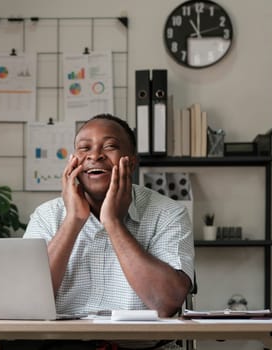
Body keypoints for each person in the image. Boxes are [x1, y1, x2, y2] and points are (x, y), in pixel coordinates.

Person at [21, 113, 194, 350]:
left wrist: (113, 222)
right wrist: (73, 220)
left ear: (131, 162)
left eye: (110, 146)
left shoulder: (168, 213)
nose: (95, 155)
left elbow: (166, 303)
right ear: (73, 162)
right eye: (84, 148)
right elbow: (26, 299)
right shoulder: (47, 215)